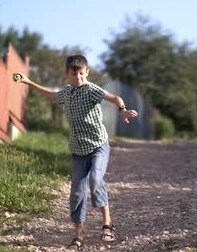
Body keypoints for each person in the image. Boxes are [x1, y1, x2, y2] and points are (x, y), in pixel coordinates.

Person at [14, 54, 138, 250]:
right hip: (78, 151)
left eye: (82, 73)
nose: (78, 77)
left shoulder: (91, 90)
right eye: (74, 74)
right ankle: (78, 237)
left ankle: (107, 223)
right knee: (77, 194)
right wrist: (28, 82)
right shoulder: (67, 93)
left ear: (86, 72)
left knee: (96, 179)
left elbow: (115, 98)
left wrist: (122, 110)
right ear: (67, 75)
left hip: (98, 145)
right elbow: (50, 95)